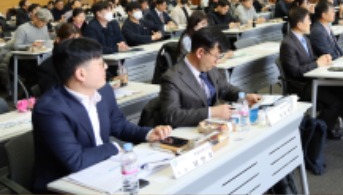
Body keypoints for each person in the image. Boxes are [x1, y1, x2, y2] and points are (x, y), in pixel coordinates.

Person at [31, 38, 172, 193]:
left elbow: (119, 125)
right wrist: (114, 148)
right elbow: (76, 161)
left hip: (102, 170)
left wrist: (148, 133)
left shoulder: (104, 91)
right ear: (81, 74)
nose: (106, 66)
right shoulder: (50, 109)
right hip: (64, 184)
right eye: (100, 64)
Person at [159, 27, 261, 127]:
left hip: (214, 127)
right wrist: (211, 112)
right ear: (200, 53)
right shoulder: (172, 78)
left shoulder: (209, 67)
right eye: (216, 56)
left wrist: (243, 97)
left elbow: (225, 88)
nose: (217, 61)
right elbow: (171, 116)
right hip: (190, 131)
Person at [279, 7, 343, 140]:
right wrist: (317, 64)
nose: (311, 23)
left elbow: (311, 59)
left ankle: (330, 121)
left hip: (314, 79)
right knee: (334, 102)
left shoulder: (304, 39)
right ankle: (318, 132)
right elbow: (295, 71)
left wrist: (323, 59)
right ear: (299, 24)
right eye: (308, 20)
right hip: (301, 85)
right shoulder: (287, 44)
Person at [37, 22, 82, 95]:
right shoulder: (46, 68)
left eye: (78, 42)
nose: (74, 45)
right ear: (58, 40)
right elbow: (51, 95)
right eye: (69, 41)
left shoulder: (84, 61)